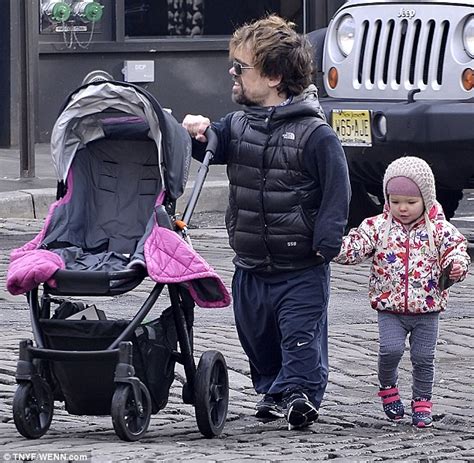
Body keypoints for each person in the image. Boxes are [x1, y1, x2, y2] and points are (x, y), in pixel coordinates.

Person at [182, 15, 351, 430]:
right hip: (251, 261)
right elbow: (213, 147)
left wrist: (327, 240)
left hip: (301, 264)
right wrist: (198, 133)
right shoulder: (238, 124)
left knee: (299, 334)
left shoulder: (315, 134)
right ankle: (274, 389)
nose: (233, 74)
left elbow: (337, 188)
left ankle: (301, 394)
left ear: (274, 76)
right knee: (256, 337)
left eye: (241, 68)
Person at [334, 156, 470, 428]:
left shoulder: (439, 230)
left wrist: (456, 266)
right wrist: (332, 247)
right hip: (390, 308)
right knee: (390, 351)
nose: (403, 208)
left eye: (410, 202)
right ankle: (388, 386)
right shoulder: (377, 227)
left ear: (426, 198)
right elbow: (356, 246)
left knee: (423, 358)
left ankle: (422, 402)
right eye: (395, 202)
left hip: (428, 309)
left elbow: (457, 251)